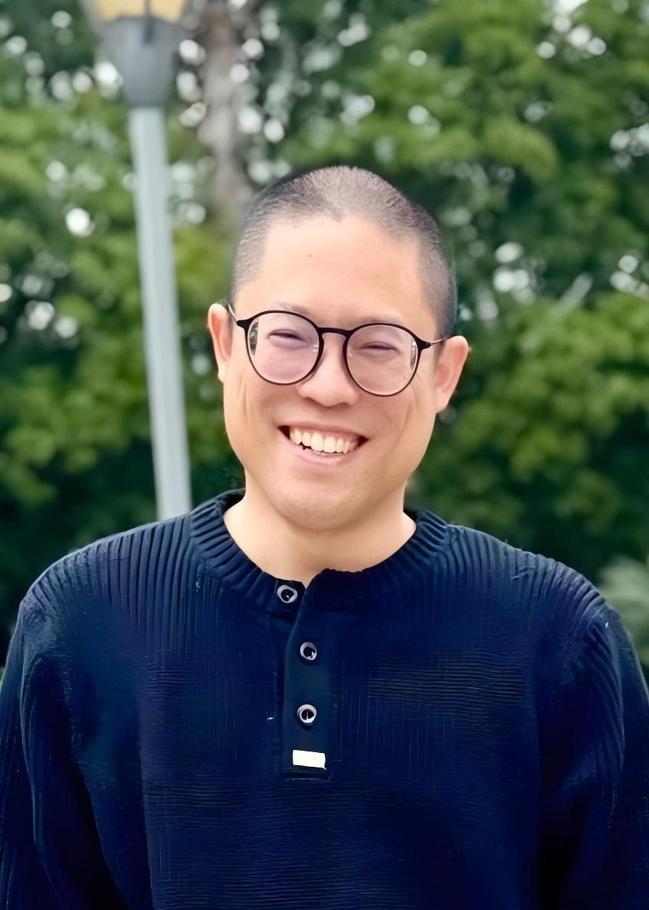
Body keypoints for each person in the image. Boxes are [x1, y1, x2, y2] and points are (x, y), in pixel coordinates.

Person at [1, 165, 648, 909]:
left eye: (378, 346)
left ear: (443, 373)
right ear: (224, 345)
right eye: (287, 335)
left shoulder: (558, 640)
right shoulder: (81, 621)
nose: (329, 386)